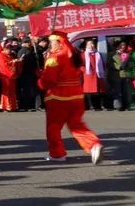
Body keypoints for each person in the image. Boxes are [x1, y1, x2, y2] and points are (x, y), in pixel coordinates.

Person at [38, 32, 103, 165]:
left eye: (52, 42)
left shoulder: (55, 57)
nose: (51, 45)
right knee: (76, 124)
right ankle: (93, 145)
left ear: (58, 42)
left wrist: (40, 79)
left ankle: (57, 154)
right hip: (76, 97)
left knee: (53, 128)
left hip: (57, 98)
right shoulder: (74, 55)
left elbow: (49, 80)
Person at [0, 42, 22, 112]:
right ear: (4, 49)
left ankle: (13, 106)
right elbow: (3, 66)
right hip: (5, 76)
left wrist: (18, 62)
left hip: (12, 76)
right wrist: (13, 62)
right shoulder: (0, 56)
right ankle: (5, 106)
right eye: (8, 49)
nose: (9, 50)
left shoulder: (10, 56)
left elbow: (12, 63)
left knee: (12, 91)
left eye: (10, 49)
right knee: (6, 91)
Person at [109, 41, 135, 110]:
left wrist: (128, 65)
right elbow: (110, 63)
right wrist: (119, 67)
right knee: (118, 91)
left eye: (124, 45)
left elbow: (133, 63)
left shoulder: (128, 54)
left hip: (126, 75)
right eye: (121, 45)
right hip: (117, 75)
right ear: (117, 46)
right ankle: (119, 106)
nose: (123, 47)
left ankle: (127, 105)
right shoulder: (112, 54)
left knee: (127, 91)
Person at [83, 40, 107, 111]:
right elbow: (80, 65)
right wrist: (85, 71)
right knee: (88, 92)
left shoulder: (98, 54)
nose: (92, 45)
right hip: (88, 75)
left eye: (93, 44)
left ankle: (97, 106)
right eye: (90, 44)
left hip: (97, 75)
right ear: (86, 46)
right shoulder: (83, 54)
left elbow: (102, 63)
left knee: (97, 92)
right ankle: (88, 106)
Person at [17, 37, 39, 111]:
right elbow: (22, 62)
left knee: (29, 90)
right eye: (29, 42)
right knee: (26, 90)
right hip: (25, 72)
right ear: (26, 43)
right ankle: (26, 106)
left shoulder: (29, 50)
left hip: (29, 72)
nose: (30, 44)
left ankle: (30, 105)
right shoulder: (23, 51)